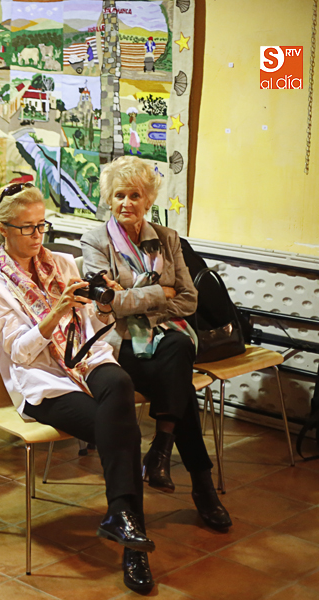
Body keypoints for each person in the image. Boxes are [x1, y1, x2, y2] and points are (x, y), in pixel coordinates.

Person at [0, 183, 154, 594]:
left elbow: (91, 326)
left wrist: (102, 305)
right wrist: (53, 314)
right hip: (42, 382)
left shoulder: (62, 263)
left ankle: (122, 520)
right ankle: (132, 544)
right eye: (27, 228)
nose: (38, 236)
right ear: (4, 229)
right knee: (123, 433)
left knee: (120, 382)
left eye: (43, 226)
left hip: (84, 361)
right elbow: (20, 353)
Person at [81, 155, 232, 533]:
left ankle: (162, 449)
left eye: (135, 195)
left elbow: (189, 300)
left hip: (164, 340)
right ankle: (199, 485)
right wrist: (158, 293)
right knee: (179, 382)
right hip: (119, 345)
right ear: (108, 199)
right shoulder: (95, 241)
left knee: (178, 350)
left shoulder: (167, 239)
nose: (126, 203)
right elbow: (106, 305)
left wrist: (132, 299)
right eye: (119, 195)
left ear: (148, 200)